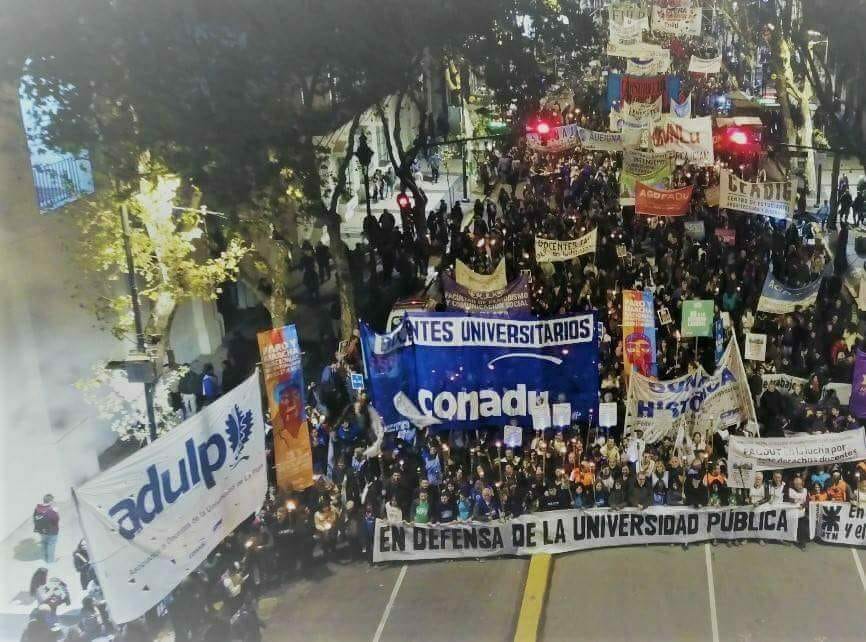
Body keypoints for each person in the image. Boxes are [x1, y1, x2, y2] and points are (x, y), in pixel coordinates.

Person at [33, 495, 59, 564]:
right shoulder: (51, 510)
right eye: (53, 500)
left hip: (42, 531)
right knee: (51, 545)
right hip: (52, 531)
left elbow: (35, 518)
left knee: (44, 543)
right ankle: (50, 561)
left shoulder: (38, 508)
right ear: (50, 501)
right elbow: (55, 520)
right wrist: (55, 512)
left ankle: (43, 558)